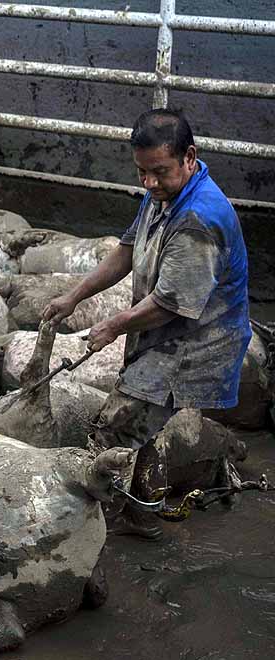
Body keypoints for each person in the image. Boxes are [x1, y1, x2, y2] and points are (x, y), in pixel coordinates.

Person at [43, 109, 251, 540]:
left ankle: (92, 523)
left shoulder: (198, 219)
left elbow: (172, 304)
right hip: (167, 333)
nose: (150, 182)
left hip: (194, 342)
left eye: (159, 171)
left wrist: (112, 326)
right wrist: (74, 296)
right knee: (146, 425)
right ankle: (142, 516)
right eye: (142, 172)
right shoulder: (163, 194)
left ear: (189, 157)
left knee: (115, 425)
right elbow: (126, 250)